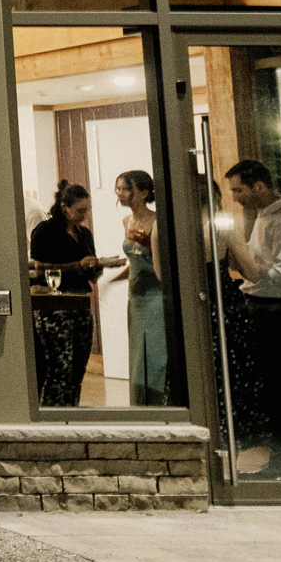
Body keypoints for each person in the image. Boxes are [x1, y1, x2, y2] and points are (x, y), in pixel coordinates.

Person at [219, 158, 281, 478]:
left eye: (238, 190)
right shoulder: (260, 216)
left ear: (259, 186)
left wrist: (246, 267)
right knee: (269, 392)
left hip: (280, 311)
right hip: (261, 309)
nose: (234, 197)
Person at [28, 180, 119, 406]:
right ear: (64, 208)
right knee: (59, 369)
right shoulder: (45, 230)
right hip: (54, 306)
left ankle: (72, 414)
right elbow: (39, 269)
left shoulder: (84, 234)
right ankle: (51, 418)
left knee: (78, 370)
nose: (85, 215)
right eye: (80, 210)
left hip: (80, 303)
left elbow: (90, 276)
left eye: (87, 210)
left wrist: (98, 267)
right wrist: (78, 265)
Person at [102, 169, 169, 406]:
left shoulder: (157, 220)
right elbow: (136, 262)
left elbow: (158, 264)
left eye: (126, 189)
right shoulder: (126, 221)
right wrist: (112, 280)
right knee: (138, 356)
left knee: (156, 355)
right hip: (136, 298)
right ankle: (140, 406)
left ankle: (157, 405)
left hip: (154, 295)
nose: (120, 194)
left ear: (144, 192)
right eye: (118, 189)